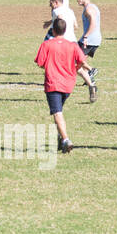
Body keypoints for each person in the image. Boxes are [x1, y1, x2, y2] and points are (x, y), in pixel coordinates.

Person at [34, 17, 85, 153]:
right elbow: (82, 61)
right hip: (68, 84)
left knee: (57, 113)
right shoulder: (73, 45)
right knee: (59, 111)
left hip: (53, 84)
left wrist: (50, 66)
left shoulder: (47, 45)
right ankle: (59, 138)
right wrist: (74, 68)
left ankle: (66, 139)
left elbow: (40, 63)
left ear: (53, 30)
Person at [76, 0, 101, 102]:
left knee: (75, 63)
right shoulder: (93, 6)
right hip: (94, 40)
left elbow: (93, 23)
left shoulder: (89, 9)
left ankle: (91, 78)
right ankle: (90, 75)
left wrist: (86, 36)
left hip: (89, 40)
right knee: (77, 61)